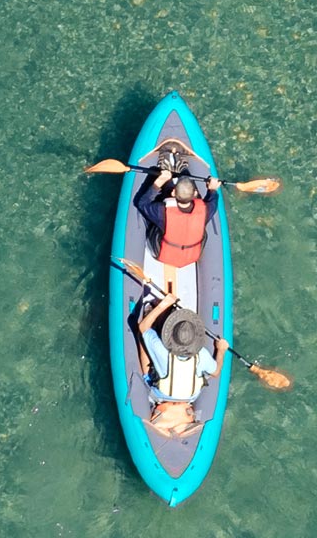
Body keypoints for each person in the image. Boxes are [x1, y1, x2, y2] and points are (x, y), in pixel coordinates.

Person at [134, 287, 227, 438]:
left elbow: (143, 327)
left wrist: (164, 304)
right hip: (190, 398)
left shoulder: (163, 351)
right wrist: (221, 350)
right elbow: (216, 372)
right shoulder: (201, 354)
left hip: (160, 395)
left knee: (142, 339)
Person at [134, 161, 223, 270]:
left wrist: (159, 182)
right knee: (198, 201)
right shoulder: (206, 210)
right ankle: (181, 170)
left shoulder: (162, 211)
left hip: (161, 253)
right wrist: (212, 189)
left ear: (173, 193)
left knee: (160, 199)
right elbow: (213, 201)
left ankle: (169, 174)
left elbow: (142, 203)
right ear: (194, 193)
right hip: (191, 256)